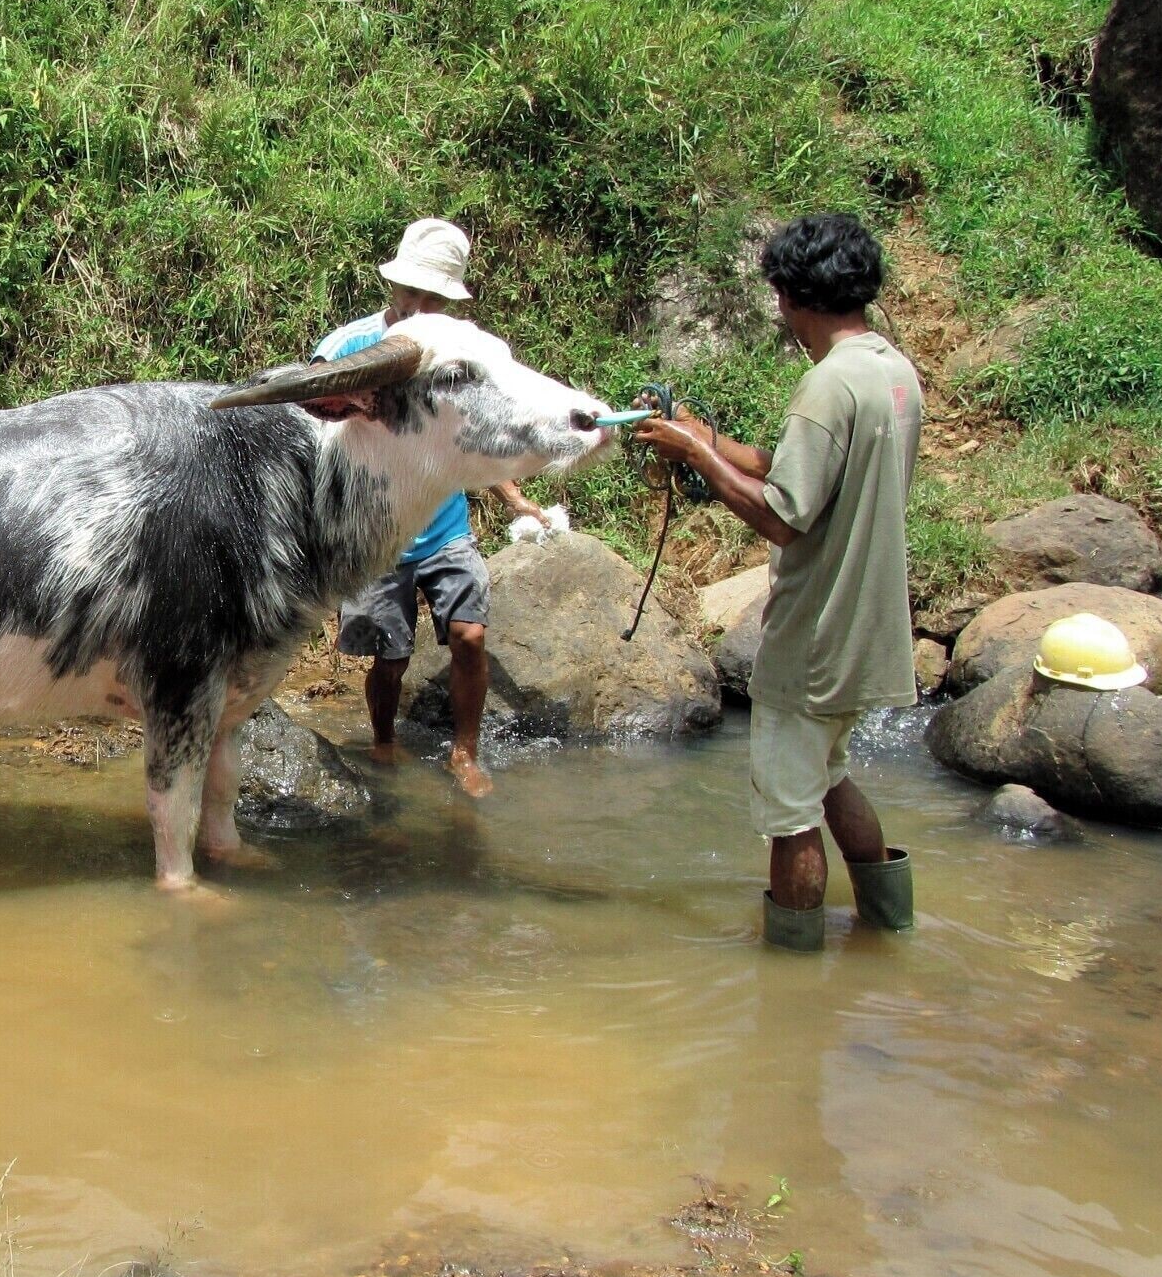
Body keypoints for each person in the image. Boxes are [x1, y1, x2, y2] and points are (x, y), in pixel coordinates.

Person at [631, 213, 923, 950]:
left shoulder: (828, 386)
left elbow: (784, 516)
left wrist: (695, 459)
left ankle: (793, 979)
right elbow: (799, 471)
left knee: (791, 815)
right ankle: (889, 930)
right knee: (830, 779)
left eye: (780, 297)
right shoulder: (892, 372)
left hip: (816, 636)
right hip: (871, 628)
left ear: (795, 297)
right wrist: (705, 437)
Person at [321, 218, 568, 798]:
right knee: (390, 657)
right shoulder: (346, 350)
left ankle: (465, 752)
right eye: (412, 292)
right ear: (393, 284)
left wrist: (516, 499)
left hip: (444, 526)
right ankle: (382, 742)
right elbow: (312, 439)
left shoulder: (463, 349)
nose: (419, 306)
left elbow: (478, 431)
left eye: (434, 298)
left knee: (470, 637)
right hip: (376, 537)